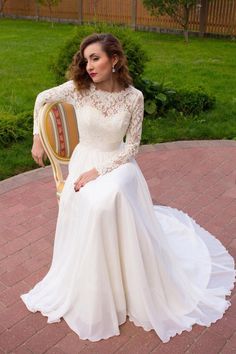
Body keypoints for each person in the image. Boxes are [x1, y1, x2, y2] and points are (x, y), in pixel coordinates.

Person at [20, 33, 235, 343]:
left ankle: (130, 281)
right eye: (86, 59)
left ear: (115, 60)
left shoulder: (134, 97)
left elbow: (133, 147)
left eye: (95, 58)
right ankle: (100, 287)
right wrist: (37, 137)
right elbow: (42, 98)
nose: (89, 65)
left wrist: (100, 171)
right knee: (96, 204)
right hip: (85, 160)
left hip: (118, 164)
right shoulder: (80, 90)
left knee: (113, 194)